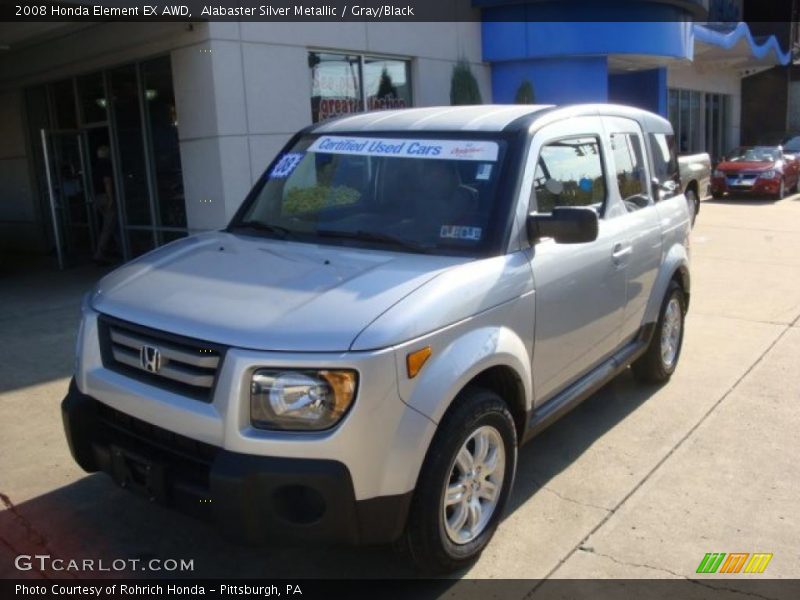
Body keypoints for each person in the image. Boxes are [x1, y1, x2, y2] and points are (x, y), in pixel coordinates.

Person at [92, 145, 118, 264]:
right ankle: (99, 255)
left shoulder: (95, 165)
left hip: (97, 197)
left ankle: (117, 248)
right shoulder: (106, 164)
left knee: (111, 225)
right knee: (108, 227)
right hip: (105, 197)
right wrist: (111, 198)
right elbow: (107, 181)